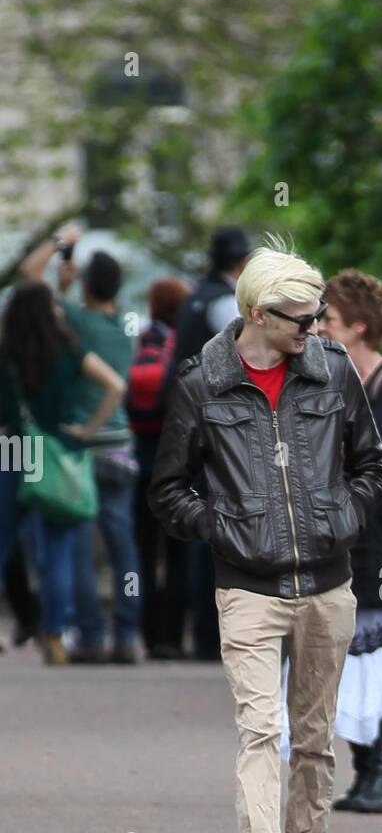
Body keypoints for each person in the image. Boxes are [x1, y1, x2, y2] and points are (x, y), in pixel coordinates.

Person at [149, 240, 382, 833]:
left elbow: (372, 465)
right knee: (259, 728)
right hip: (246, 585)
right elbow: (166, 490)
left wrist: (340, 517)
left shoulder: (332, 370)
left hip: (326, 583)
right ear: (257, 312)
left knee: (312, 737)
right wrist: (224, 528)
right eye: (301, 319)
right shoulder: (203, 382)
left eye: (318, 318)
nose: (314, 330)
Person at [311, 269, 382, 813]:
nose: (319, 328)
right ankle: (363, 774)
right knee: (346, 653)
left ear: (358, 326)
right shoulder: (328, 379)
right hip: (341, 539)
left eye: (328, 320)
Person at [21, 225, 141, 663]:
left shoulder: (76, 320)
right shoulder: (124, 326)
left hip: (85, 448)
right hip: (123, 447)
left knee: (79, 546)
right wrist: (74, 286)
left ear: (88, 285)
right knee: (123, 544)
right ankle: (127, 634)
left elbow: (30, 276)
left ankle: (90, 634)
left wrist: (57, 242)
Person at [0, 283, 125, 665]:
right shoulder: (70, 350)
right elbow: (116, 385)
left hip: (13, 449)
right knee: (57, 552)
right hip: (60, 450)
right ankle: (55, 636)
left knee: (2, 545)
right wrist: (88, 430)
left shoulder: (5, 354)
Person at [160, 226, 252, 661]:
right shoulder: (222, 303)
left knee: (190, 525)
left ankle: (185, 633)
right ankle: (209, 636)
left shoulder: (194, 297)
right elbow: (244, 357)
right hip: (214, 426)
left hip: (184, 420)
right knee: (215, 529)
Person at [128, 276, 192, 659]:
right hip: (177, 465)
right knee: (180, 554)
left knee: (144, 554)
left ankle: (149, 635)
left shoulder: (142, 341)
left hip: (140, 459)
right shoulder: (183, 344)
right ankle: (173, 637)